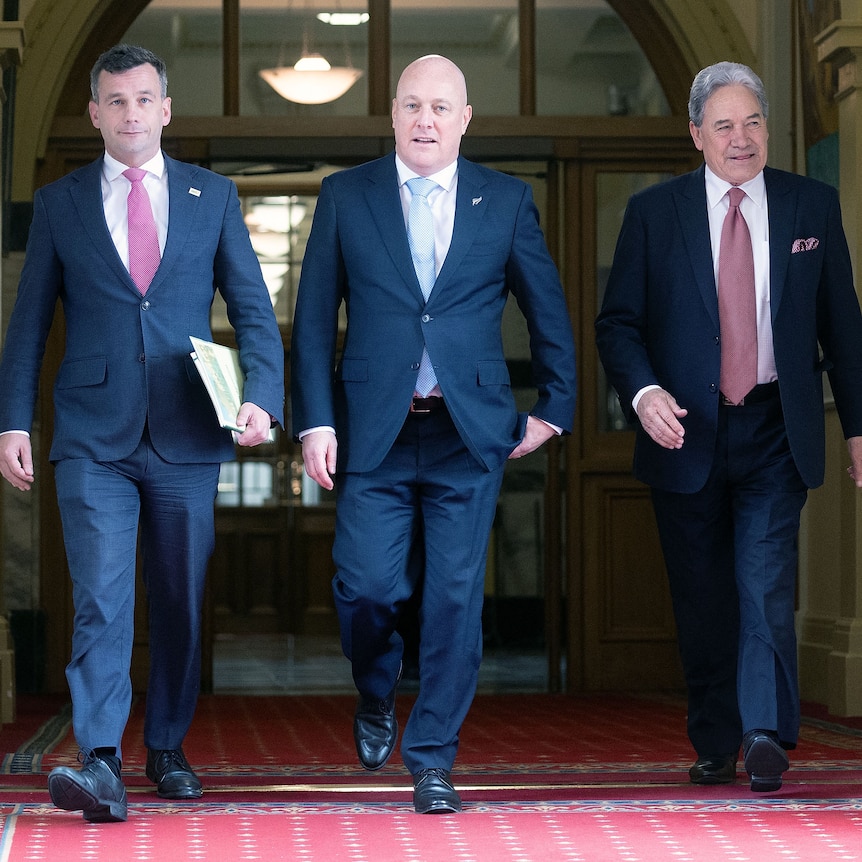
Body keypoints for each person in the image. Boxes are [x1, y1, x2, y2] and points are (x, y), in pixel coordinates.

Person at [0, 44, 284, 822]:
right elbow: (27, 325)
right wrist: (10, 421)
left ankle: (165, 746)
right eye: (115, 101)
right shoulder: (60, 204)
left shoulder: (212, 196)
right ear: (95, 113)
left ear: (165, 109)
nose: (130, 114)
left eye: (143, 100)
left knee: (180, 600)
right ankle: (99, 760)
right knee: (100, 595)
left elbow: (254, 309)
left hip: (190, 431)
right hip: (92, 435)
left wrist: (263, 396)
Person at [291, 54, 576, 813]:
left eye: (441, 107)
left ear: (465, 119)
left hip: (467, 432)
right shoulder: (346, 197)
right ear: (390, 114)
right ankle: (376, 687)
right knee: (368, 588)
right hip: (371, 435)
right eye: (412, 105)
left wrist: (556, 406)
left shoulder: (505, 200)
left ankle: (434, 758)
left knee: (453, 599)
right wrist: (315, 419)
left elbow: (547, 307)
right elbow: (314, 322)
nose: (425, 120)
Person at [595, 61, 862, 793]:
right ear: (696, 136)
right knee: (705, 596)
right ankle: (716, 737)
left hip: (777, 426)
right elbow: (618, 325)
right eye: (724, 125)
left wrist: (859, 428)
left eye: (752, 122)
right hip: (687, 433)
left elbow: (845, 327)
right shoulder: (655, 214)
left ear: (767, 130)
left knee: (764, 582)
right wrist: (644, 392)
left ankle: (764, 732)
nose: (740, 138)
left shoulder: (812, 206)